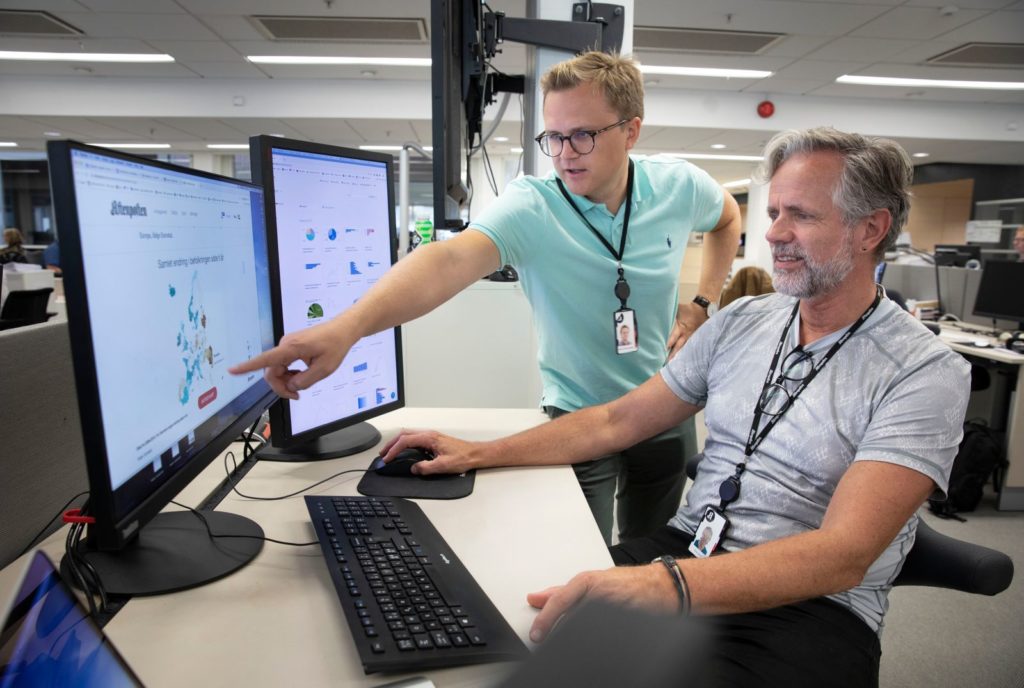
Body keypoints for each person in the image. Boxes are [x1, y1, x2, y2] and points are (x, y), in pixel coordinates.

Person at [373, 127, 971, 685]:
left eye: (802, 216)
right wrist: (479, 453)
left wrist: (664, 585)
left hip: (812, 609)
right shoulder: (743, 322)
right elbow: (618, 419)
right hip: (693, 548)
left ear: (871, 229)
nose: (774, 233)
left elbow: (843, 555)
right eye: (774, 213)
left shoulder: (923, 371)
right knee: (506, 624)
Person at [232, 51, 742, 545]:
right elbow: (448, 261)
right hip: (575, 418)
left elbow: (728, 221)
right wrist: (349, 326)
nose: (565, 154)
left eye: (583, 135)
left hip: (661, 409)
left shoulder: (680, 186)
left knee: (649, 555)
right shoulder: (534, 206)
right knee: (581, 557)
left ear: (631, 130)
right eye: (555, 137)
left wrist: (700, 305)